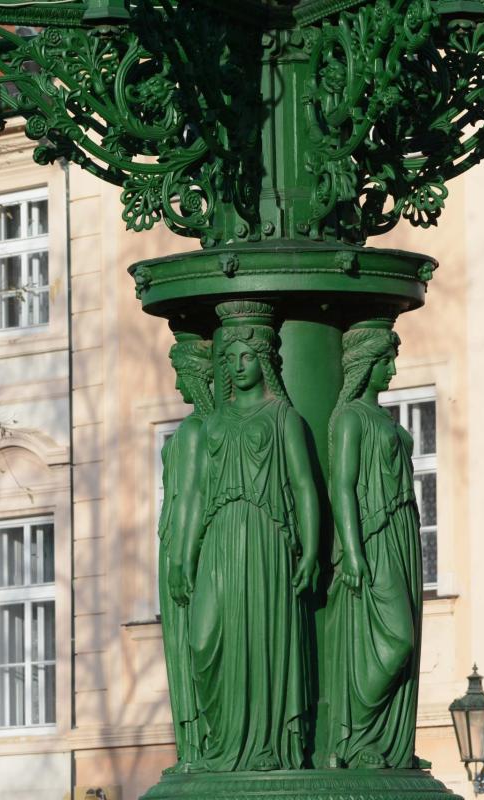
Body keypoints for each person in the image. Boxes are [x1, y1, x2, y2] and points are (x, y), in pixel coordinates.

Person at [175, 301, 319, 772]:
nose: (237, 367)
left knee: (262, 643)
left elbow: (304, 486)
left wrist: (310, 550)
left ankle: (264, 746)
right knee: (204, 639)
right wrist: (184, 555)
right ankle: (222, 744)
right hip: (219, 539)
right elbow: (198, 493)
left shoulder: (284, 419)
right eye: (230, 358)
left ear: (266, 361)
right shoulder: (214, 423)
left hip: (266, 542)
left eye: (247, 357)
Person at [323, 319, 422, 769]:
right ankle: (356, 735)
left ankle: (387, 743)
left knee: (406, 641)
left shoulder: (385, 419)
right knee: (396, 640)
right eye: (386, 362)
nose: (393, 370)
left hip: (401, 533)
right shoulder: (351, 418)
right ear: (366, 365)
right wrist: (352, 550)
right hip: (373, 536)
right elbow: (341, 485)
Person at [156, 332, 213, 772]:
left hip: (183, 547)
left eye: (183, 375)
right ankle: (195, 744)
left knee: (191, 648)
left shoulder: (197, 430)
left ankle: (199, 743)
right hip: (179, 542)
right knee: (185, 649)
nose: (178, 386)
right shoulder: (199, 429)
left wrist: (181, 559)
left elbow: (192, 495)